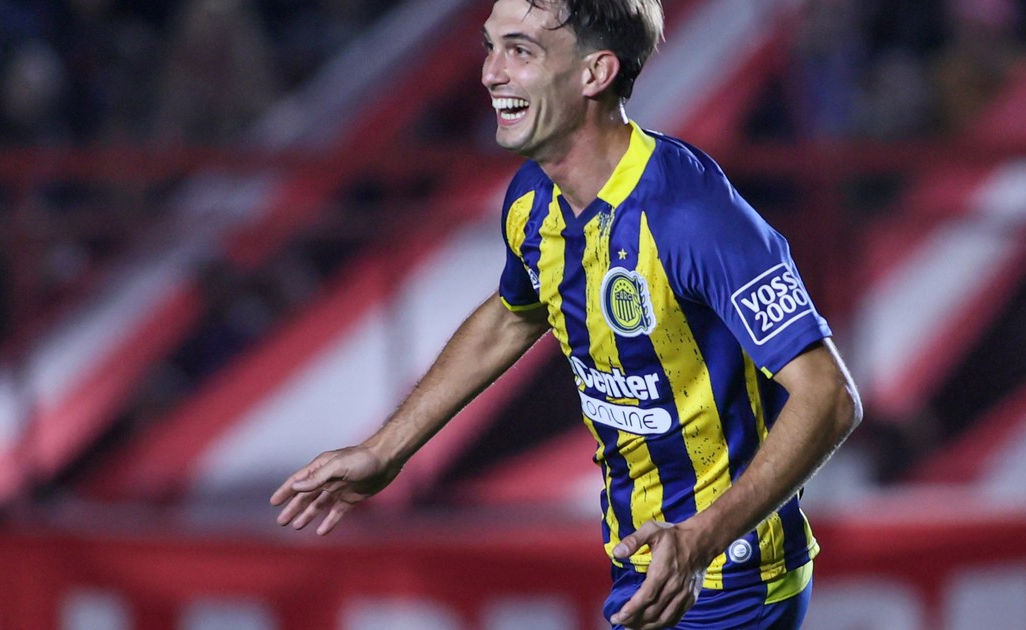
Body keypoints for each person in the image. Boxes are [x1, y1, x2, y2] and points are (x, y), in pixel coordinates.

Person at [270, 1, 863, 628]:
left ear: (595, 72)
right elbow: (511, 316)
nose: (491, 73)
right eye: (490, 47)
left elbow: (829, 396)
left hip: (729, 578)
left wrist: (700, 539)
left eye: (520, 51)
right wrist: (385, 451)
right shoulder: (532, 201)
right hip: (650, 565)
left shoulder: (689, 215)